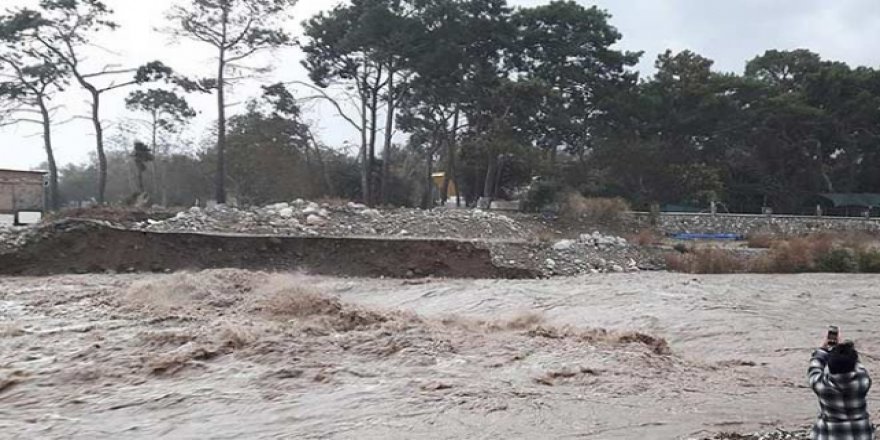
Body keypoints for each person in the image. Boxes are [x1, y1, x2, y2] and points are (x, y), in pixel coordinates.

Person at [808, 336, 874, 440]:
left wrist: (823, 349)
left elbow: (814, 366)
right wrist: (844, 350)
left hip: (830, 435)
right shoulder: (863, 381)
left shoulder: (822, 386)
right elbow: (857, 364)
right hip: (861, 435)